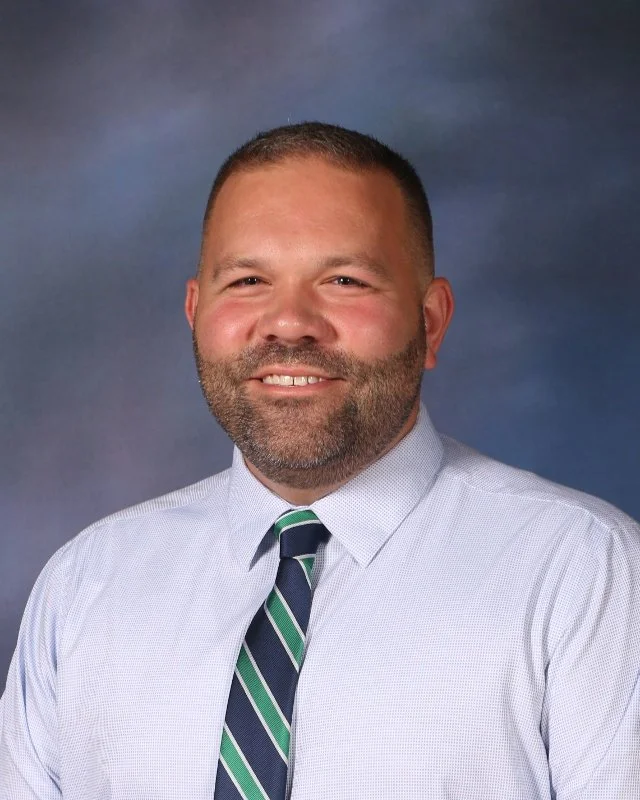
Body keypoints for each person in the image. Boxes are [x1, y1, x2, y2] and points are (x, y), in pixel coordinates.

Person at [1, 122, 638, 800]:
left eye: (344, 280)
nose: (289, 322)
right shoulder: (88, 583)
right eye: (248, 280)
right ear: (196, 312)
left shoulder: (585, 574)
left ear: (430, 322)